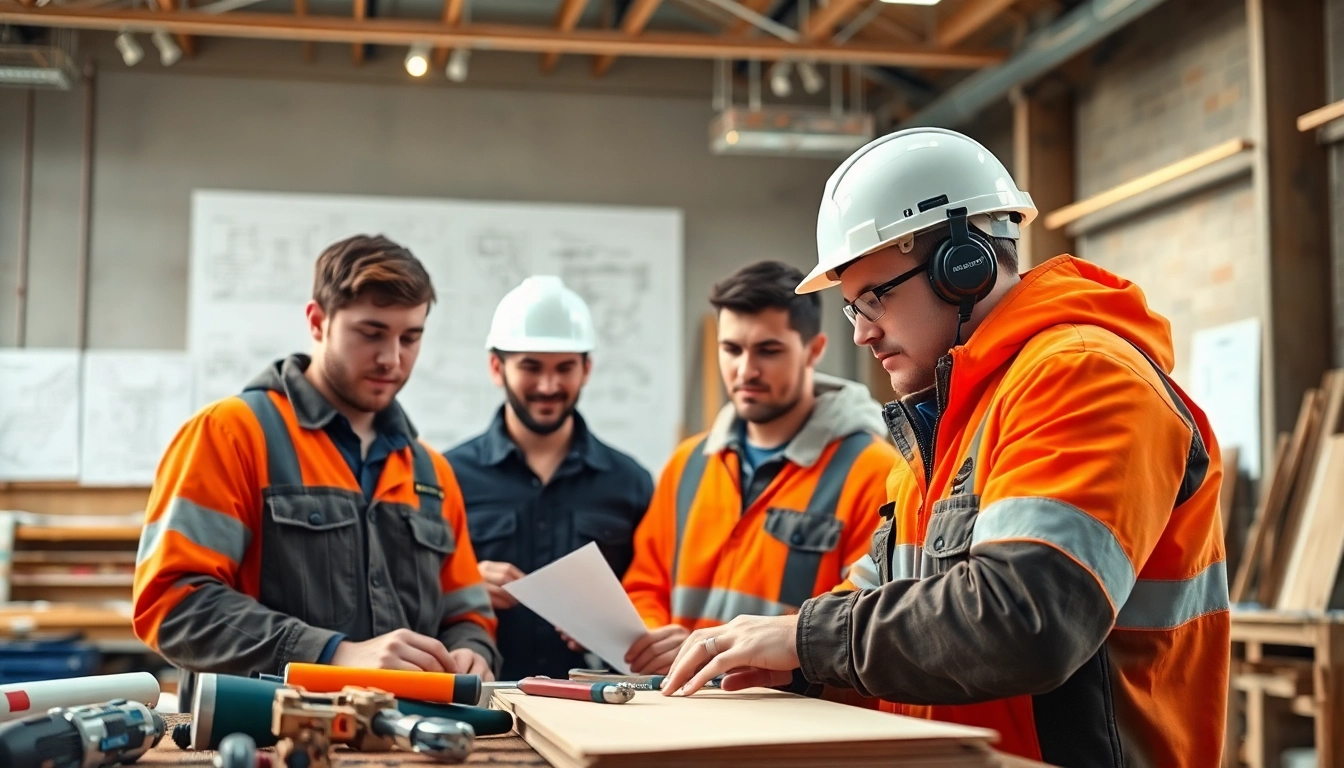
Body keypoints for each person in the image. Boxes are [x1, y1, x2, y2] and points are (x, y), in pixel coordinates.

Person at [660, 128, 1230, 766]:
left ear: (963, 267)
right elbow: (881, 616)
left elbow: (1027, 620)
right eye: (851, 309)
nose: (863, 333)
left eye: (873, 299)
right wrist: (786, 662)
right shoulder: (941, 429)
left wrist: (806, 639)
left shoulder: (1084, 376)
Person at [133, 234, 499, 687]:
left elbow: (467, 613)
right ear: (317, 321)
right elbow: (173, 605)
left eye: (410, 337)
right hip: (264, 727)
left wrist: (471, 649)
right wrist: (331, 655)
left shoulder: (432, 474)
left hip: (410, 729)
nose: (392, 358)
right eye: (371, 334)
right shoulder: (230, 434)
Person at [620, 260, 897, 676]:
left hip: (795, 711)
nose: (746, 370)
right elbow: (645, 584)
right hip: (680, 702)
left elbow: (862, 622)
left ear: (814, 350)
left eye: (768, 351)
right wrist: (654, 637)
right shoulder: (687, 464)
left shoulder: (875, 472)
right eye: (732, 349)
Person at [446, 276, 653, 680]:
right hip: (484, 697)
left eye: (565, 368)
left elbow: (650, 597)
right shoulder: (448, 476)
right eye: (531, 367)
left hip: (600, 701)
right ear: (496, 368)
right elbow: (414, 593)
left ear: (586, 369)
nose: (548, 385)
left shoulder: (631, 482)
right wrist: (460, 586)